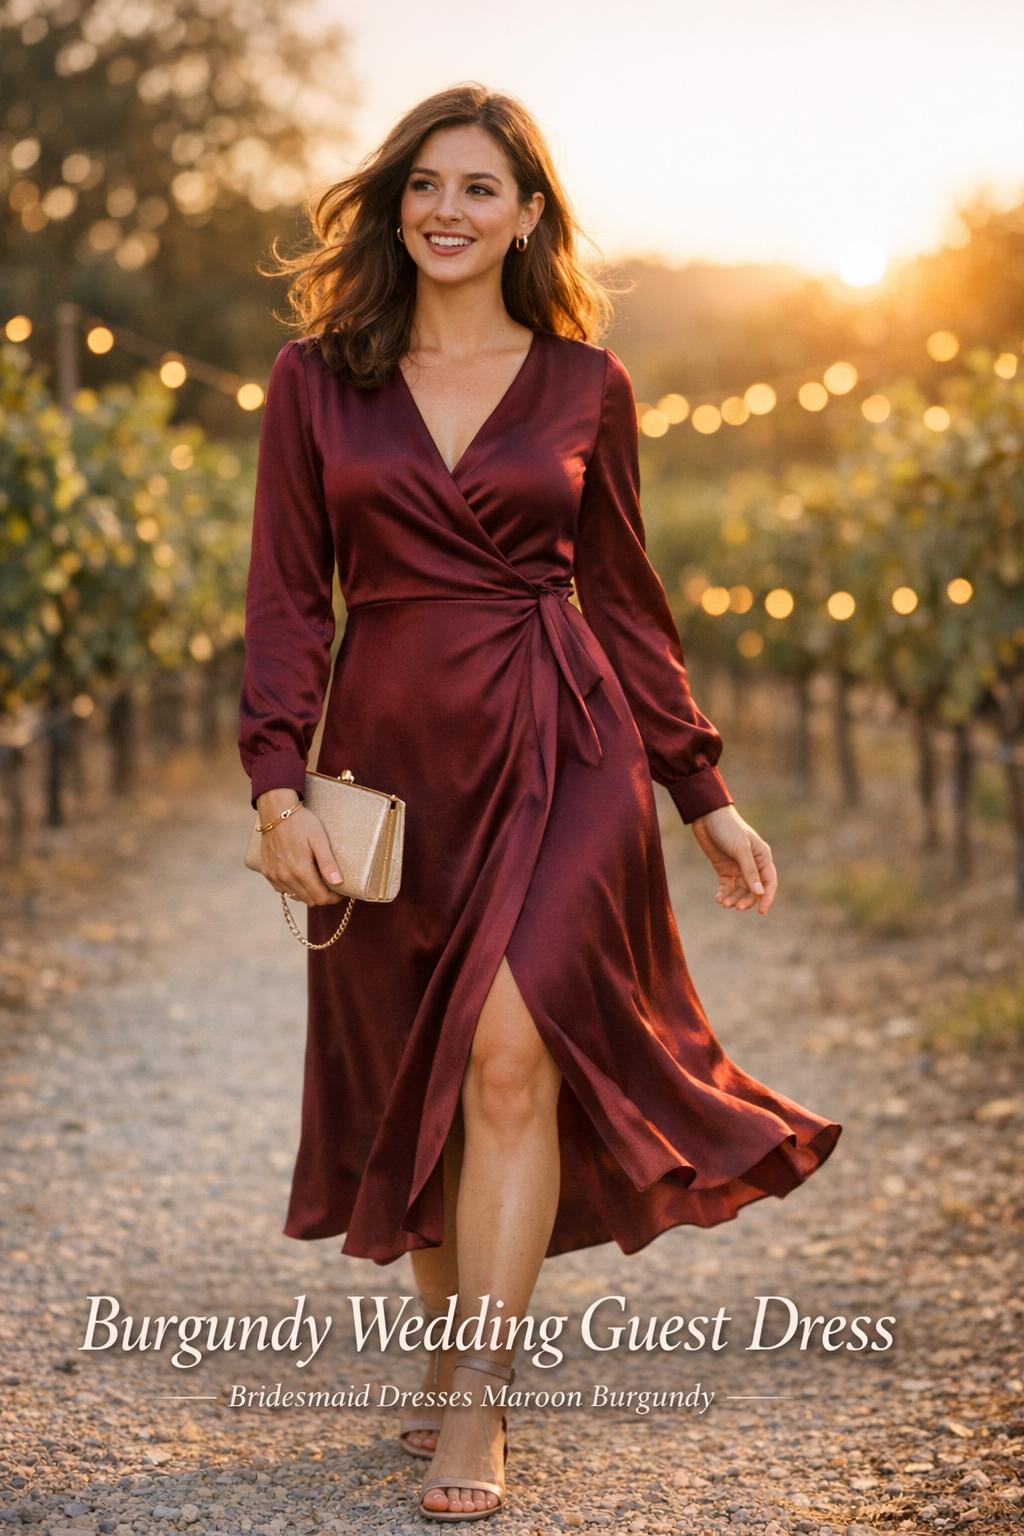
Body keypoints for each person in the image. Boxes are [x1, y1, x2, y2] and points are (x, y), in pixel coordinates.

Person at [238, 82, 842, 1524]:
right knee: (423, 1074)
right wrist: (276, 789)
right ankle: (455, 1371)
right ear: (396, 205)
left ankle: (481, 1412)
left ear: (526, 217)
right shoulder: (316, 379)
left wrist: (704, 794)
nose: (447, 210)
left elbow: (629, 603)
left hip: (567, 741)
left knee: (514, 1055)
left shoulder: (587, 384)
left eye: (479, 188)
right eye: (424, 185)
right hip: (389, 756)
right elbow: (282, 602)